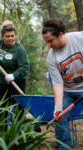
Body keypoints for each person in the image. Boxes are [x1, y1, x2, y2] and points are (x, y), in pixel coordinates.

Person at [42, 18, 83, 150]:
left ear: (60, 34)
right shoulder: (51, 57)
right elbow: (58, 83)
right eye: (46, 41)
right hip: (67, 91)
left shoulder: (79, 38)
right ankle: (63, 147)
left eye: (50, 40)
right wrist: (58, 107)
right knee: (60, 118)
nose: (48, 44)